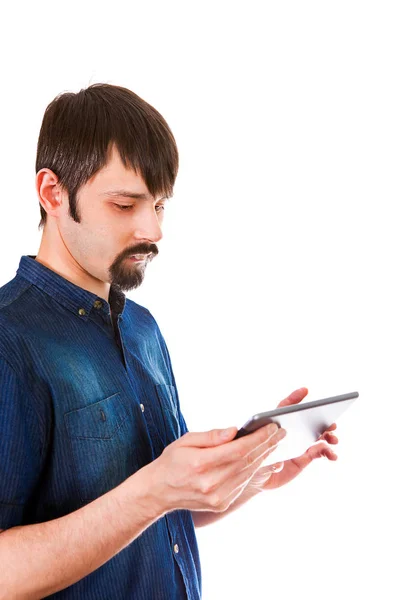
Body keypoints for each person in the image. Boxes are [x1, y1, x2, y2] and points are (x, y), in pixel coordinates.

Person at [0, 83, 338, 599]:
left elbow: (154, 515)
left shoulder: (142, 328)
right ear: (52, 192)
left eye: (159, 205)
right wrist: (153, 490)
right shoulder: (8, 339)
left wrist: (252, 475)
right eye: (125, 204)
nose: (152, 229)